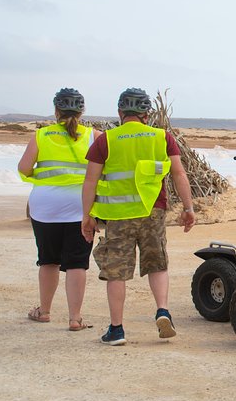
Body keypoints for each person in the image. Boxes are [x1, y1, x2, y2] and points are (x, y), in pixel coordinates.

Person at [81, 88, 195, 346]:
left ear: (120, 112)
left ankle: (117, 329)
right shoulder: (161, 137)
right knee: (157, 263)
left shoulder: (106, 140)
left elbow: (90, 181)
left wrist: (86, 216)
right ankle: (163, 310)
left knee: (116, 272)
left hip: (119, 216)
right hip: (153, 212)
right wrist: (188, 208)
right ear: (147, 114)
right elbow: (179, 174)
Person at [18, 88, 99, 331]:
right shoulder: (94, 136)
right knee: (76, 263)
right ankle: (75, 318)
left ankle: (44, 311)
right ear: (82, 111)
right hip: (80, 207)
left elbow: (23, 168)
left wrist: (41, 176)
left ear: (56, 110)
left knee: (48, 260)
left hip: (44, 208)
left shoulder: (41, 136)